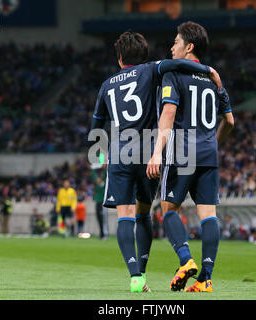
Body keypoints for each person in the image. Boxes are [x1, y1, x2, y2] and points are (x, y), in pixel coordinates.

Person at [90, 30, 220, 293]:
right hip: (149, 153)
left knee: (124, 216)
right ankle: (172, 263)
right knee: (145, 212)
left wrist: (100, 157)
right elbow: (179, 64)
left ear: (119, 58)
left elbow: (96, 127)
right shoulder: (151, 69)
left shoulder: (107, 85)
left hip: (120, 154)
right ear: (144, 55)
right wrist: (209, 70)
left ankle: (137, 277)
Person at [147, 21, 234, 293]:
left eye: (176, 42)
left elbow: (168, 115)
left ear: (189, 47)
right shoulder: (213, 80)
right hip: (209, 154)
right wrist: (212, 145)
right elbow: (230, 121)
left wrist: (156, 153)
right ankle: (205, 279)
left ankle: (186, 261)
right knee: (209, 215)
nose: (172, 47)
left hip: (183, 151)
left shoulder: (173, 75)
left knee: (167, 209)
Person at [92, 169, 107, 239]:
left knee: (103, 218)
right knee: (99, 218)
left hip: (103, 203)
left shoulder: (104, 185)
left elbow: (105, 175)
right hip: (98, 203)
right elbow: (93, 175)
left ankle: (104, 233)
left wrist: (105, 167)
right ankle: (102, 233)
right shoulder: (97, 186)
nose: (97, 180)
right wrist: (92, 168)